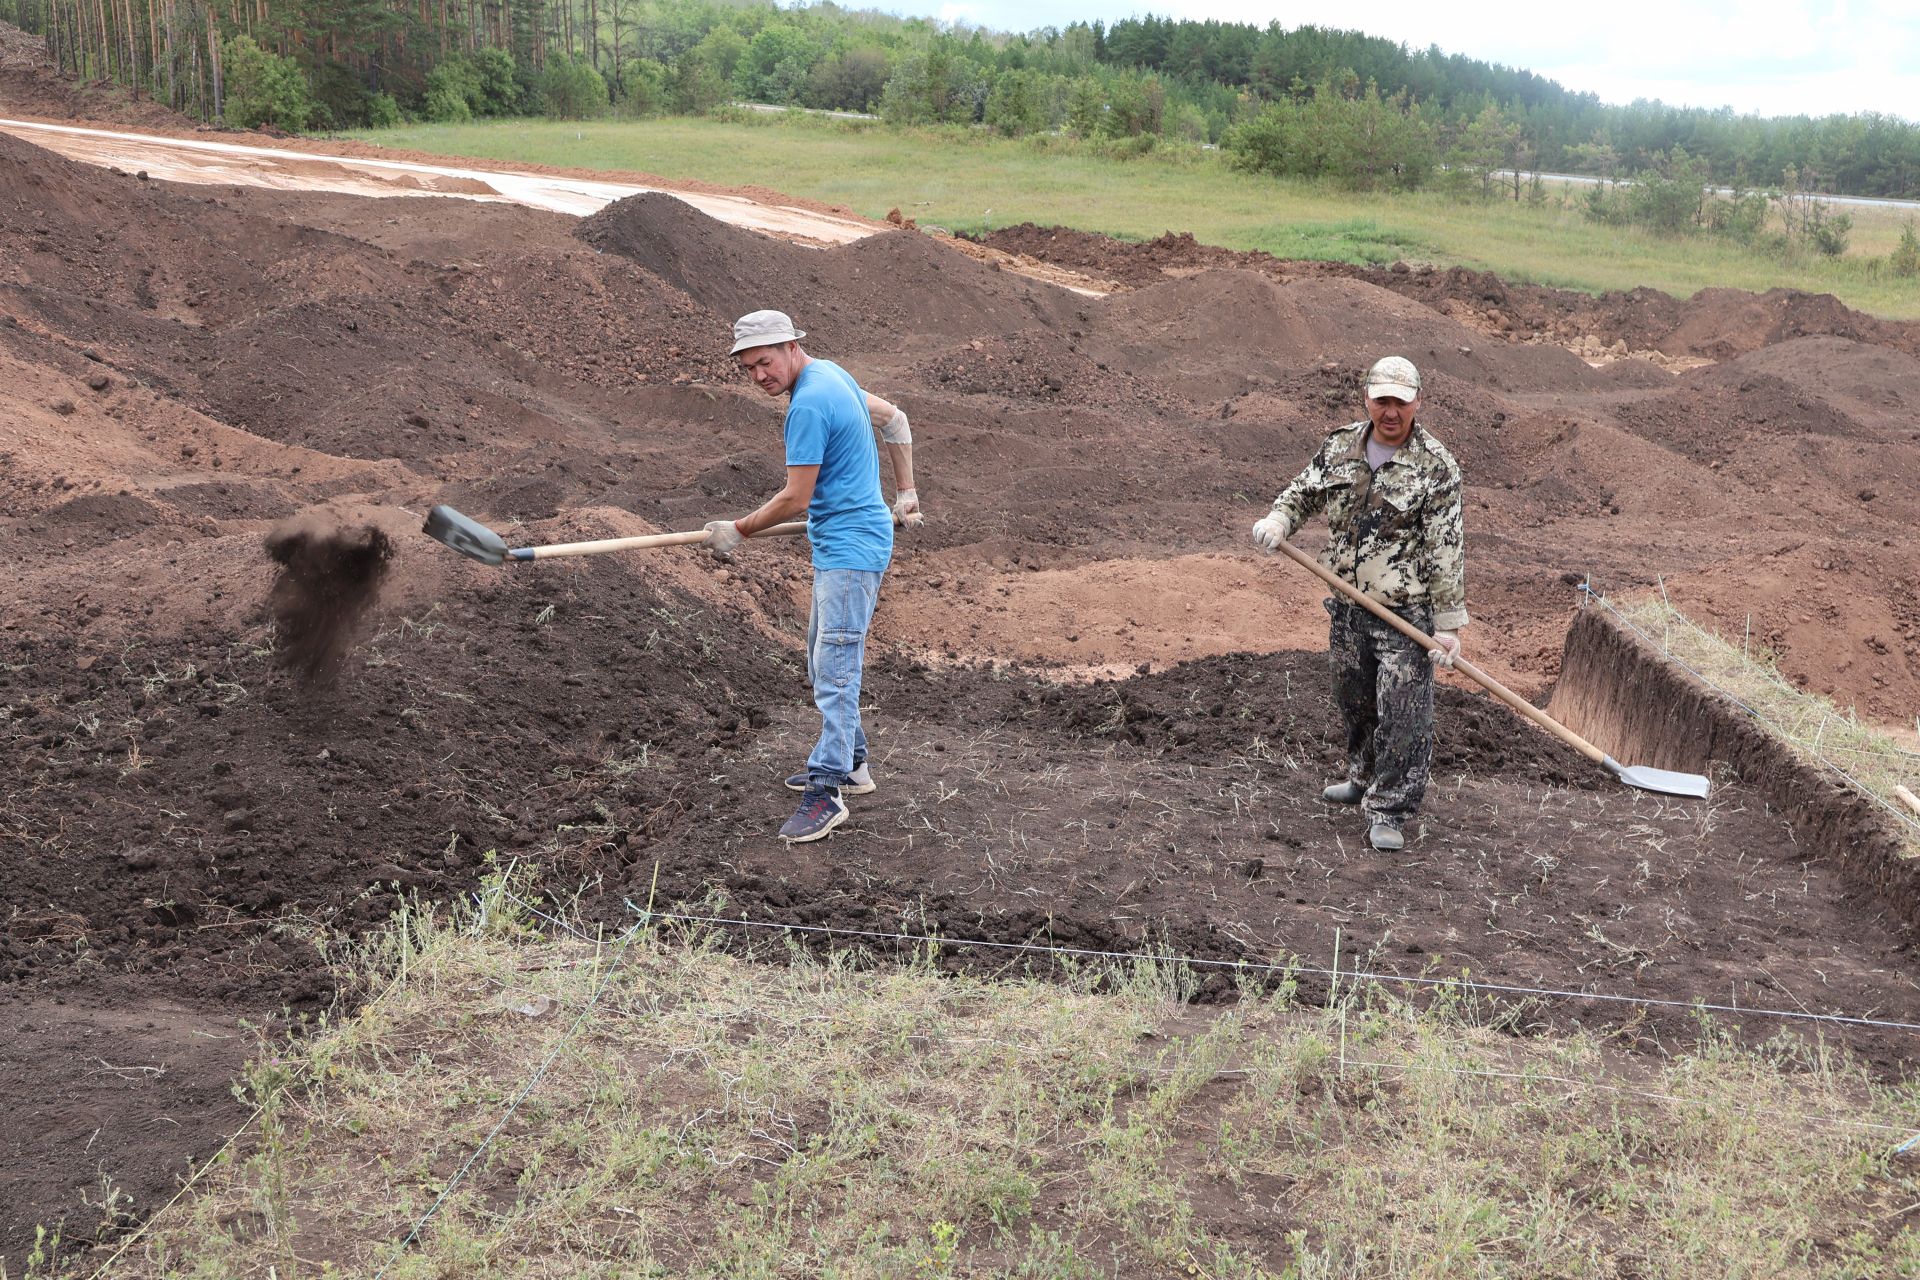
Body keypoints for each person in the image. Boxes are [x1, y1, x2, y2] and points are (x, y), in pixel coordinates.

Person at [705, 310, 921, 843]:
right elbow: (895, 419)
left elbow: (795, 497)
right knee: (821, 652)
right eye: (749, 367)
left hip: (851, 548)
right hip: (844, 540)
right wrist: (906, 492)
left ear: (791, 347)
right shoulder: (832, 373)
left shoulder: (806, 404)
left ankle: (826, 793)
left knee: (836, 668)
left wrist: (738, 530)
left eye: (765, 361)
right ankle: (853, 762)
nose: (759, 376)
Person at [1250, 355, 1467, 853]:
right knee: (1353, 696)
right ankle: (1364, 776)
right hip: (1347, 602)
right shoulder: (1340, 446)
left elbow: (1446, 549)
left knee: (1402, 709)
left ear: (1417, 403)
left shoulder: (1436, 467)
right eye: (1382, 400)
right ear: (1367, 398)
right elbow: (1303, 492)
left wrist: (1448, 625)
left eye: (1401, 402)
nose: (1390, 412)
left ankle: (1390, 807)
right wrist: (1280, 519)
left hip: (1404, 614)